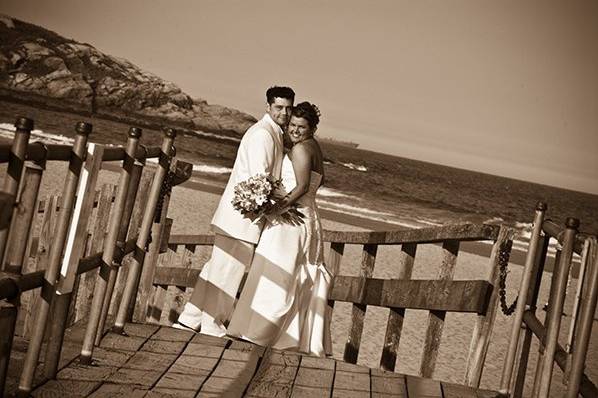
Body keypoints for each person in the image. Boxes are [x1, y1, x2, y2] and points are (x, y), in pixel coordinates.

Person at [174, 86, 295, 336]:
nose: (284, 113)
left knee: (217, 269)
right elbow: (259, 178)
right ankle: (212, 326)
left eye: (288, 108)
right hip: (242, 216)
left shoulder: (272, 132)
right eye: (279, 107)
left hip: (237, 216)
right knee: (228, 273)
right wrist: (277, 206)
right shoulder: (263, 134)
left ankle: (188, 319)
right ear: (268, 107)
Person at [227, 102, 333, 357]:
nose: (295, 131)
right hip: (309, 216)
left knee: (278, 272)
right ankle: (288, 336)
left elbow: (303, 186)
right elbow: (320, 181)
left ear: (312, 127)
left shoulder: (299, 150)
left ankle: (260, 332)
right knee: (296, 274)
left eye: (301, 127)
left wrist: (278, 207)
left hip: (291, 221)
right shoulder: (315, 147)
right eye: (292, 125)